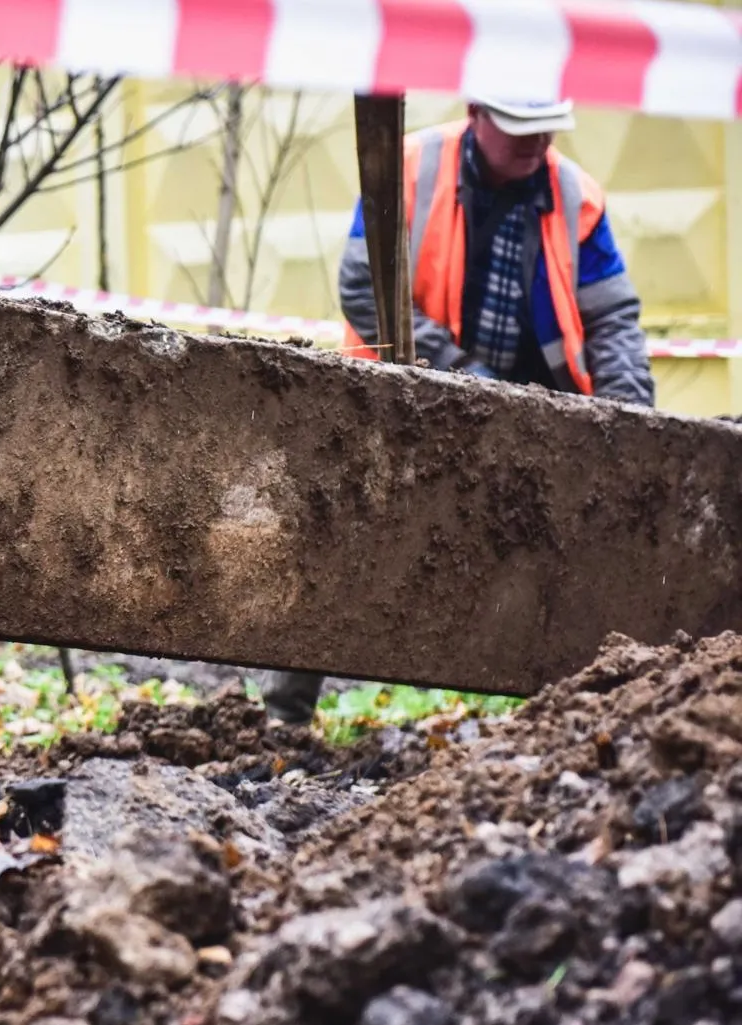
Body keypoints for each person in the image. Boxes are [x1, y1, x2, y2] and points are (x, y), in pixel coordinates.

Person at [266, 97, 655, 724]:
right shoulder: (411, 164)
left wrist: (630, 417)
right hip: (403, 393)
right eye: (519, 129)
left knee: (576, 545)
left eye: (545, 129)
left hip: (535, 406)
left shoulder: (576, 195)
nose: (536, 143)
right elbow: (362, 286)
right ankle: (283, 718)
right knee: (337, 535)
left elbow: (611, 319)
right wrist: (463, 382)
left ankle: (585, 715)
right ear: (477, 112)